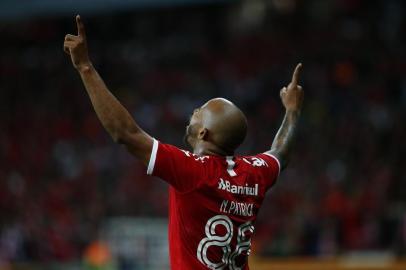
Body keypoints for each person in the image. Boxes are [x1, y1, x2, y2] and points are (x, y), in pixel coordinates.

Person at [64, 15, 304, 270]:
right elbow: (281, 152)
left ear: (204, 134)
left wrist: (85, 67)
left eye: (199, 112)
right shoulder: (255, 172)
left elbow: (125, 133)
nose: (194, 112)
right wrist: (292, 111)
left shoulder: (193, 171)